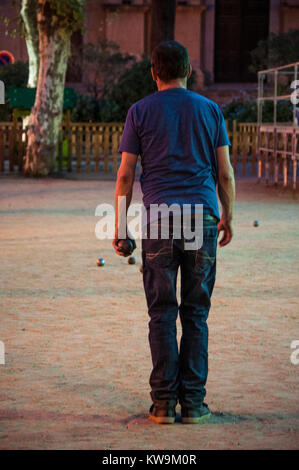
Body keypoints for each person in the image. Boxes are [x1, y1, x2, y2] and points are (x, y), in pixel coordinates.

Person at [113, 40, 235, 424]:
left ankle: (164, 404)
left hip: (160, 220)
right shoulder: (210, 110)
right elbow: (226, 172)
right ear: (189, 71)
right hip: (201, 216)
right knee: (196, 313)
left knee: (161, 313)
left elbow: (126, 175)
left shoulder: (139, 111)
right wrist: (227, 216)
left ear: (153, 72)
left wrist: (120, 227)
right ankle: (195, 404)